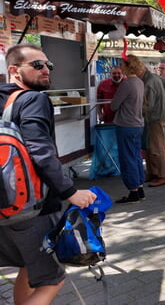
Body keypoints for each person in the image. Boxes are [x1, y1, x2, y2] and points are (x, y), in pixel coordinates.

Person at [0, 44, 96, 305]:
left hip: (3, 206)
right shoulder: (32, 99)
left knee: (27, 267)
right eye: (37, 65)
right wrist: (71, 192)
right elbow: (41, 153)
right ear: (13, 70)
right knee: (52, 280)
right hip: (31, 208)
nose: (46, 70)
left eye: (48, 65)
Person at [111, 56, 145, 203]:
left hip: (126, 124)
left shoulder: (127, 84)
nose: (120, 67)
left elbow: (114, 105)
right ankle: (140, 187)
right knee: (136, 156)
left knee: (127, 159)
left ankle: (133, 191)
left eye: (121, 65)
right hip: (138, 124)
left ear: (127, 66)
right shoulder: (139, 82)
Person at [136, 57, 165, 187]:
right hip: (154, 117)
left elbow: (148, 106)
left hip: (155, 117)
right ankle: (153, 172)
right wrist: (163, 99)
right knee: (149, 146)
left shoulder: (149, 81)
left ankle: (163, 175)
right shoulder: (151, 78)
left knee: (157, 147)